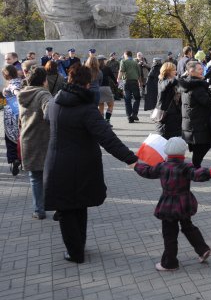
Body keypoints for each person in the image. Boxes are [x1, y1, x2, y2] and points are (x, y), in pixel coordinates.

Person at [44, 65, 138, 263]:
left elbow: (46, 119)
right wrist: (131, 159)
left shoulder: (54, 103)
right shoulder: (87, 109)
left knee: (66, 208)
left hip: (57, 163)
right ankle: (78, 249)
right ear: (88, 84)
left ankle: (75, 249)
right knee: (79, 206)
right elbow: (107, 138)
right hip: (83, 164)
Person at [134, 137, 211, 271]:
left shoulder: (162, 166)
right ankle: (202, 249)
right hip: (184, 203)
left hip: (168, 206)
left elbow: (147, 171)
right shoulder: (186, 166)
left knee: (169, 234)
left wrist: (136, 165)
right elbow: (197, 174)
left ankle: (170, 262)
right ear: (183, 152)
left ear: (167, 152)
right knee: (188, 227)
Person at [17, 67, 52, 219]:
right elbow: (50, 111)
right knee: (51, 176)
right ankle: (58, 208)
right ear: (44, 80)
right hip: (44, 139)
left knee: (35, 177)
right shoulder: (43, 94)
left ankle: (38, 210)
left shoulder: (23, 93)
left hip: (28, 139)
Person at [179, 61, 211, 168]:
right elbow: (207, 102)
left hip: (191, 120)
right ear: (191, 71)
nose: (202, 71)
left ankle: (195, 165)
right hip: (197, 121)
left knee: (198, 145)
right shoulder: (197, 86)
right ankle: (196, 166)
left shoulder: (187, 83)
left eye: (202, 68)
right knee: (206, 143)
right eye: (199, 69)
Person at [2, 65, 22, 175]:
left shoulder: (14, 83)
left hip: (12, 115)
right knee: (19, 137)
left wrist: (17, 95)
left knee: (10, 139)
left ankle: (15, 159)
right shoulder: (19, 81)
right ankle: (20, 158)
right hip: (17, 114)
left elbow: (16, 92)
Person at [154, 62, 182, 139]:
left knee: (174, 140)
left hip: (175, 114)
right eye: (174, 70)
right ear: (168, 71)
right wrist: (179, 77)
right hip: (165, 115)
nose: (176, 72)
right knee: (164, 139)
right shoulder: (162, 81)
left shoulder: (173, 81)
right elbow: (167, 84)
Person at [117, 50, 142, 123]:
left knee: (127, 100)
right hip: (134, 82)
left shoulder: (123, 61)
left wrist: (118, 79)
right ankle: (134, 113)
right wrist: (140, 83)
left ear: (125, 55)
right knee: (137, 98)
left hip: (126, 82)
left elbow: (121, 71)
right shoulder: (135, 62)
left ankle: (129, 116)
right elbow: (139, 74)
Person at [97, 56, 116, 125]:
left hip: (98, 88)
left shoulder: (95, 69)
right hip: (106, 88)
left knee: (100, 105)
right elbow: (113, 78)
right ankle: (107, 120)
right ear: (104, 61)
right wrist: (117, 84)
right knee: (111, 105)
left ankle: (101, 122)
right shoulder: (107, 68)